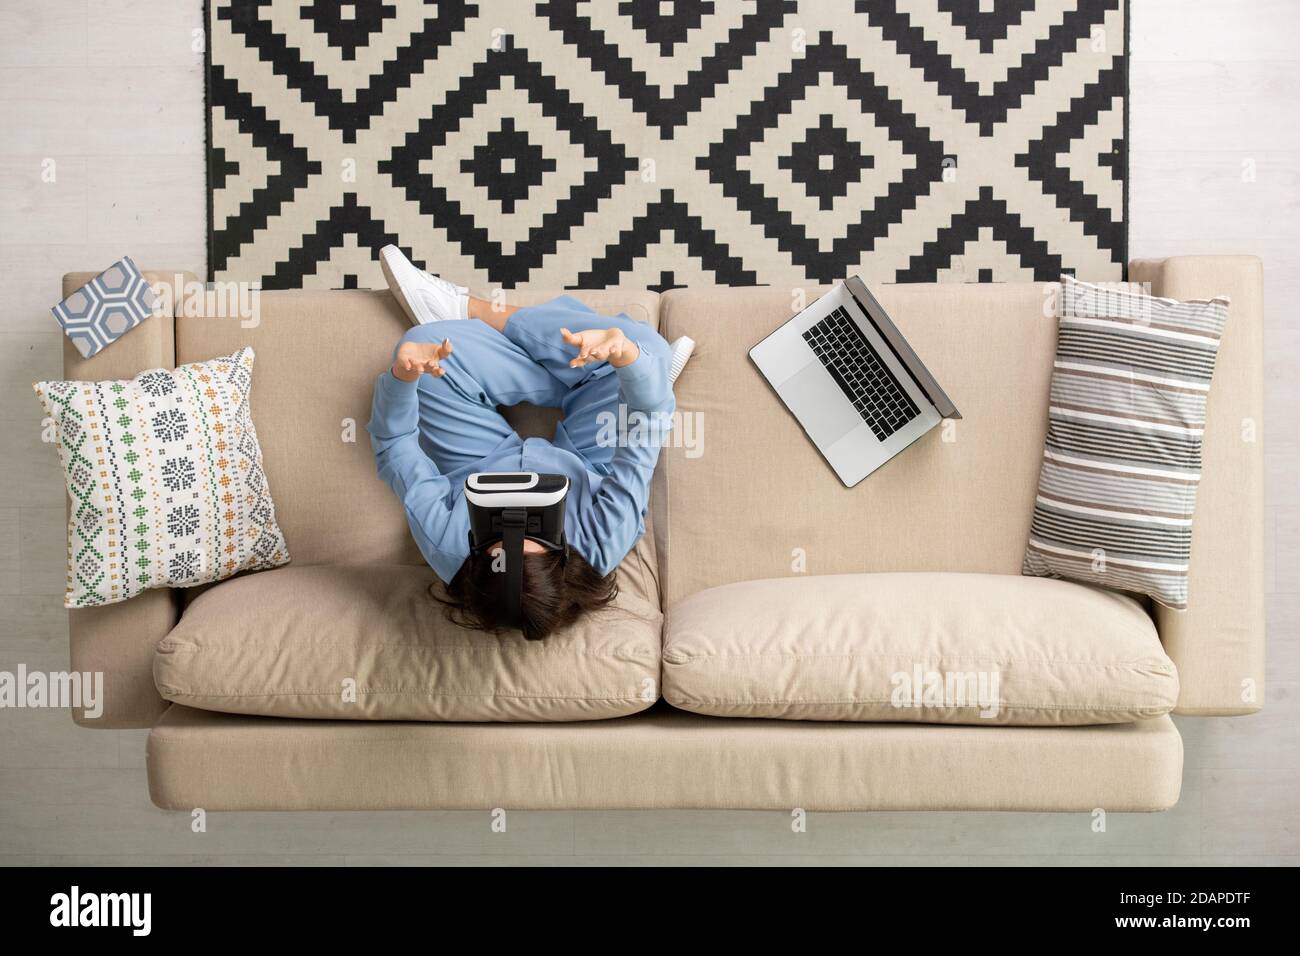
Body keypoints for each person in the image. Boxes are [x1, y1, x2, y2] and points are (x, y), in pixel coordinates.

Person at [367, 246, 691, 641]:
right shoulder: (603, 539)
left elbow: (394, 444)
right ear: (563, 556)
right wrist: (628, 363)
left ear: (475, 559)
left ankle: (479, 316)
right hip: (585, 458)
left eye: (497, 536)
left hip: (480, 459)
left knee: (423, 343)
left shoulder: (449, 545)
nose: (517, 515)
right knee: (640, 348)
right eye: (536, 533)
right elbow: (647, 423)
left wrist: (402, 378)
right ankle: (609, 370)